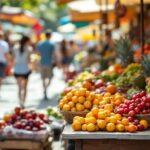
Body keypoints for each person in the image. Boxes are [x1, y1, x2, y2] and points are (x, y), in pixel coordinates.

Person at [13, 36, 32, 108]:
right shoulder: (29, 49)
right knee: (25, 87)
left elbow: (13, 59)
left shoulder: (15, 48)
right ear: (26, 41)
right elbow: (29, 60)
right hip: (25, 69)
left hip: (17, 69)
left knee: (19, 87)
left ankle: (20, 101)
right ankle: (23, 102)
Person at [37, 30, 55, 100]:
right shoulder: (51, 44)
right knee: (50, 77)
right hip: (49, 63)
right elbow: (53, 55)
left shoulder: (40, 44)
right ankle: (46, 89)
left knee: (43, 79)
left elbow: (38, 54)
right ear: (50, 36)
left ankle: (45, 90)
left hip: (42, 63)